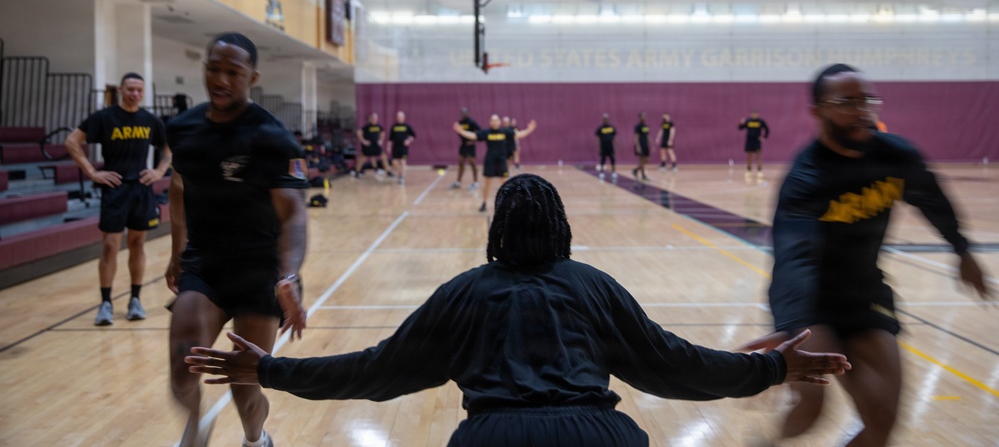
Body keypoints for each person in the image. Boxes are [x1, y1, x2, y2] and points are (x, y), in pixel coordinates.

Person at [187, 174, 852, 447]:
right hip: (599, 436)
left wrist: (271, 372)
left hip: (494, 436)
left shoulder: (465, 292)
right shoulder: (594, 286)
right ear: (560, 227)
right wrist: (772, 371)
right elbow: (674, 368)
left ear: (497, 230)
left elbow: (374, 371)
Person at [745, 63, 992, 447]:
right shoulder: (806, 179)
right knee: (812, 405)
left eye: (868, 100)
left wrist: (962, 250)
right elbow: (796, 256)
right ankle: (765, 443)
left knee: (882, 421)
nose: (862, 110)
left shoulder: (895, 156)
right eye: (847, 102)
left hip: (864, 292)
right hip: (809, 299)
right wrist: (792, 323)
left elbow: (932, 198)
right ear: (818, 110)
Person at [165, 32, 309, 447]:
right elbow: (179, 186)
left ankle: (255, 437)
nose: (221, 79)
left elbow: (294, 214)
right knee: (182, 369)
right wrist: (178, 250)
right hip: (205, 265)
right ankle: (195, 428)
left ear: (253, 77)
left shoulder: (272, 138)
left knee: (245, 389)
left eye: (234, 72)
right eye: (214, 69)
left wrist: (289, 276)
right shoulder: (183, 128)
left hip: (259, 272)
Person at [65, 72, 171, 326]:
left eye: (139, 90)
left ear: (143, 92)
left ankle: (135, 299)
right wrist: (91, 172)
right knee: (110, 245)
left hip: (141, 189)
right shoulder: (104, 118)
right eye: (130, 89)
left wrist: (158, 171)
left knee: (137, 244)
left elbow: (169, 148)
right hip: (114, 189)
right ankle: (106, 303)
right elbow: (72, 141)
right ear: (121, 90)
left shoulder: (150, 120)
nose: (135, 93)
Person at [454, 115, 536, 212]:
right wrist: (461, 131)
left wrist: (529, 130)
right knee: (487, 183)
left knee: (505, 184)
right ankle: (484, 203)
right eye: (493, 120)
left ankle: (507, 204)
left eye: (496, 120)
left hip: (501, 161)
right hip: (490, 161)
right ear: (490, 122)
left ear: (499, 122)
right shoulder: (487, 133)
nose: (495, 122)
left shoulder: (505, 132)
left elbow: (518, 134)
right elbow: (474, 135)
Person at [451, 108, 480, 190]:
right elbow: (459, 132)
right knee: (461, 164)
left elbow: (480, 131)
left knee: (473, 164)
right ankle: (458, 182)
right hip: (463, 146)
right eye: (463, 113)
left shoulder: (472, 122)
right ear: (461, 114)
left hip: (471, 146)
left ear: (468, 113)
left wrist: (473, 140)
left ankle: (475, 182)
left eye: (465, 112)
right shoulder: (460, 123)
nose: (464, 114)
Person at [738, 110, 769, 182]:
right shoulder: (748, 121)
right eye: (753, 114)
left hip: (757, 141)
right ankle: (748, 170)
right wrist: (741, 123)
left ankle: (759, 171)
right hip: (749, 141)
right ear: (751, 114)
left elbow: (767, 129)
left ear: (758, 114)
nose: (754, 115)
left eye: (756, 114)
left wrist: (764, 137)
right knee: (749, 156)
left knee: (758, 156)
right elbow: (740, 128)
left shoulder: (761, 121)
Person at [352, 112, 386, 177]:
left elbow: (383, 133)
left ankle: (384, 171)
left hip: (375, 145)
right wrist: (363, 141)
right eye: (373, 118)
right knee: (363, 159)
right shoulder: (367, 126)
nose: (374, 119)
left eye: (376, 118)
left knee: (383, 157)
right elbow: (358, 132)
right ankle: (357, 172)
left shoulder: (378, 126)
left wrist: (381, 140)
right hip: (368, 146)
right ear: (371, 118)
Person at [388, 111, 417, 185]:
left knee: (403, 161)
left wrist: (408, 140)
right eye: (398, 117)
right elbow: (390, 139)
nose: (399, 118)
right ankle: (400, 173)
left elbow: (413, 135)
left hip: (403, 147)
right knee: (394, 162)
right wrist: (389, 147)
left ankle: (401, 177)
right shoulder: (394, 127)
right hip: (395, 147)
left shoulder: (406, 126)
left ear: (404, 118)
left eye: (401, 117)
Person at [595, 113, 617, 180]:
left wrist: (617, 144)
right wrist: (598, 147)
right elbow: (598, 139)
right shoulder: (600, 128)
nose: (606, 120)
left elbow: (615, 137)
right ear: (603, 120)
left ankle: (613, 172)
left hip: (610, 146)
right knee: (603, 160)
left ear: (608, 119)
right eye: (604, 119)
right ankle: (601, 173)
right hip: (603, 146)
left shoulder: (611, 128)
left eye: (607, 119)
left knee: (612, 159)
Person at [632, 112, 650, 181]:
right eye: (642, 116)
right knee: (642, 161)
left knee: (646, 160)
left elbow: (648, 136)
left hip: (645, 145)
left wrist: (651, 144)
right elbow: (636, 137)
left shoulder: (646, 126)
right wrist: (638, 146)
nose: (644, 118)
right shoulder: (638, 127)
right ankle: (643, 175)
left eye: (645, 116)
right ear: (639, 117)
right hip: (641, 145)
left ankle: (636, 170)